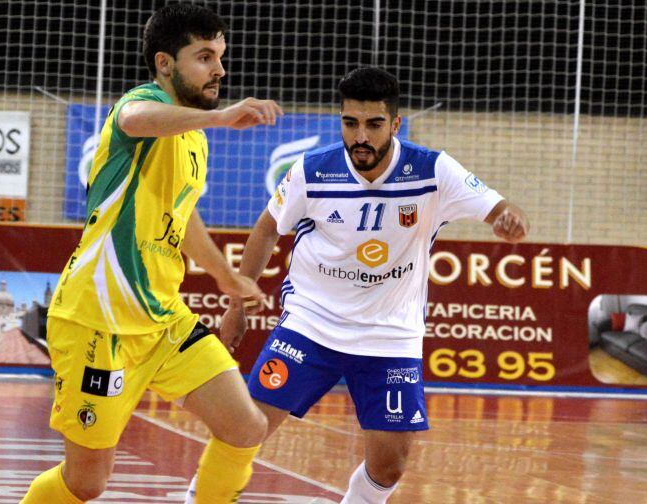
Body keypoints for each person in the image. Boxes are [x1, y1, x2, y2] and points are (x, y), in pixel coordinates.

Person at [220, 67, 529, 503]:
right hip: (312, 323)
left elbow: (501, 207)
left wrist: (508, 220)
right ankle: (201, 496)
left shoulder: (432, 170)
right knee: (247, 428)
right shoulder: (313, 170)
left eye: (373, 124)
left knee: (390, 464)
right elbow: (267, 230)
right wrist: (238, 305)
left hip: (390, 335)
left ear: (395, 124)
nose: (360, 136)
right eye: (350, 124)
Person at [22, 4, 284, 503]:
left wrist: (225, 277)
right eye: (204, 57)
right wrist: (221, 116)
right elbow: (138, 118)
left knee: (245, 427)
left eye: (221, 57)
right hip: (98, 321)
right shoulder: (138, 107)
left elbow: (182, 216)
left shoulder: (195, 139)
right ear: (165, 63)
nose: (219, 70)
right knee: (86, 482)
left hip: (163, 320)